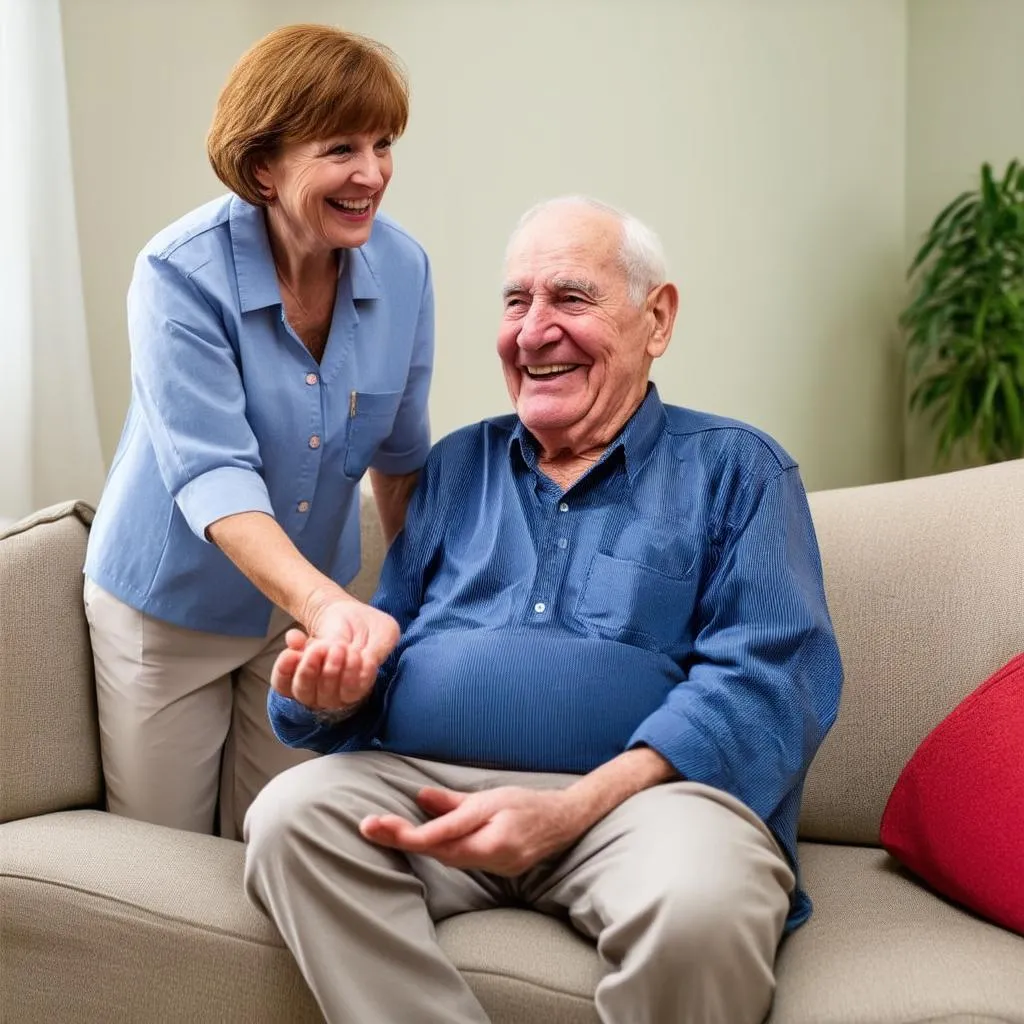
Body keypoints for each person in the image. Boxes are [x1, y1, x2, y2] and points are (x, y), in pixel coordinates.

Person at [244, 197, 843, 1024]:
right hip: (434, 794)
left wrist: (574, 806)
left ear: (656, 317)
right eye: (515, 302)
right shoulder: (455, 466)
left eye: (569, 297)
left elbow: (773, 680)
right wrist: (332, 693)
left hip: (640, 806)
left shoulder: (739, 468)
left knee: (704, 902)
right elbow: (386, 648)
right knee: (289, 818)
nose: (532, 332)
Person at [83, 24, 434, 839]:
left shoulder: (406, 268)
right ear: (262, 166)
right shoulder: (177, 274)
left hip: (301, 623)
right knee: (167, 866)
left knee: (278, 842)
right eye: (341, 147)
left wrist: (414, 604)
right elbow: (214, 473)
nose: (372, 173)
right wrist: (325, 603)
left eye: (383, 143)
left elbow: (403, 452)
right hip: (167, 613)